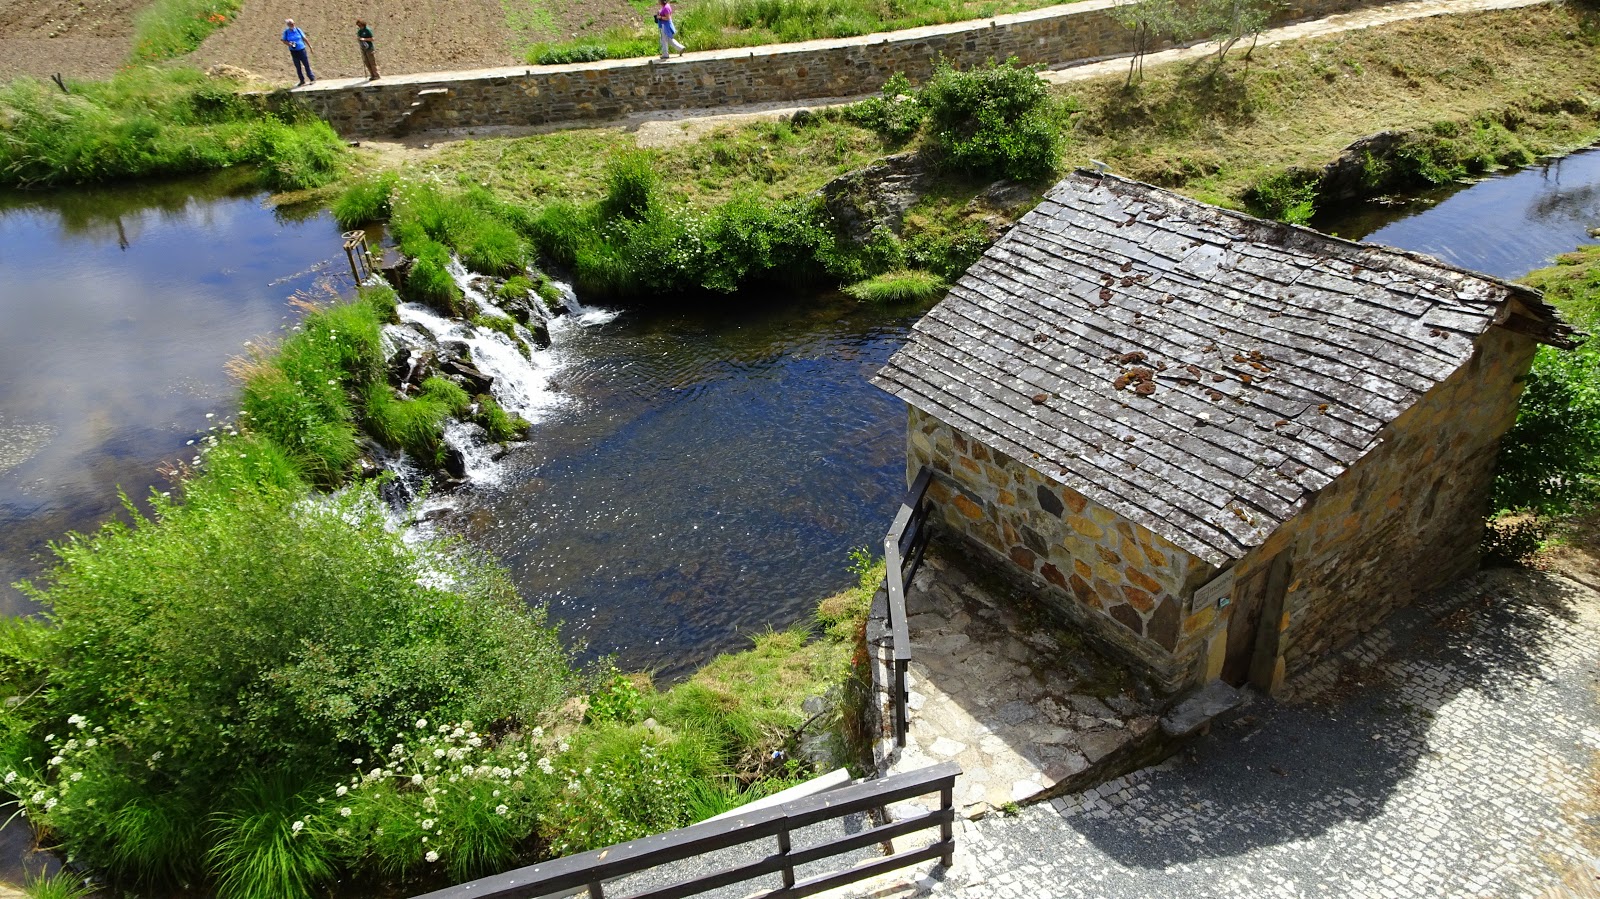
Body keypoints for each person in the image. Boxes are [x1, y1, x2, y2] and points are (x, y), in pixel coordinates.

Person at [282, 18, 315, 86]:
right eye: (291, 24)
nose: (292, 25)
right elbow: (283, 40)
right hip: (293, 51)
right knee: (298, 66)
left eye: (293, 23)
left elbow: (304, 38)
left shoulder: (298, 30)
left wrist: (310, 47)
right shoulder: (286, 32)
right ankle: (302, 80)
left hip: (301, 50)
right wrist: (289, 44)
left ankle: (312, 78)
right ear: (288, 25)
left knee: (306, 64)